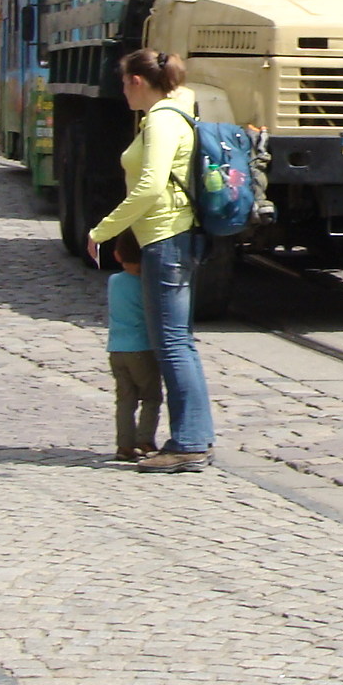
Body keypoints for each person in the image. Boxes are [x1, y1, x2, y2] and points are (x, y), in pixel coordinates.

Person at [86, 49, 213, 472]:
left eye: (124, 82)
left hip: (165, 238)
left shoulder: (161, 119)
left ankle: (189, 443)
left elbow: (150, 186)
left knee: (172, 344)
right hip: (173, 236)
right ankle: (195, 436)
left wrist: (102, 230)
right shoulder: (176, 111)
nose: (122, 91)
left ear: (138, 82)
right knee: (181, 342)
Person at [106, 231, 164, 462]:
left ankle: (124, 445)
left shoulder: (114, 281)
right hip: (142, 348)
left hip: (116, 349)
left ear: (117, 255)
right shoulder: (147, 285)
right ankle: (145, 441)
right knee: (151, 397)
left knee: (125, 400)